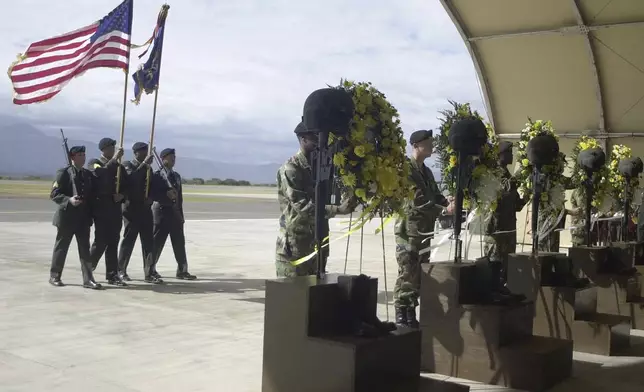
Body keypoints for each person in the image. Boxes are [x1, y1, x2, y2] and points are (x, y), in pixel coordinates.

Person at [275, 122, 356, 277]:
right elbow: (302, 207)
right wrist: (337, 209)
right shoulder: (292, 168)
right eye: (315, 137)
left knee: (316, 296)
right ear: (303, 139)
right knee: (294, 296)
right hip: (296, 247)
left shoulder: (320, 167)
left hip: (317, 243)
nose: (320, 141)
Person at [394, 130, 454, 328]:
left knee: (419, 274)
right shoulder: (406, 169)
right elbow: (417, 200)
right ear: (416, 145)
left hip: (424, 231)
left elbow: (435, 195)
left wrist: (447, 201)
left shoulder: (426, 171)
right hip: (408, 231)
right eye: (427, 143)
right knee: (407, 274)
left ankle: (411, 312)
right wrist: (444, 210)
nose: (431, 146)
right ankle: (402, 314)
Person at [49, 146, 101, 289]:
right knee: (61, 248)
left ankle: (88, 279)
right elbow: (54, 194)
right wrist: (69, 200)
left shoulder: (87, 174)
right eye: (79, 155)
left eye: (84, 154)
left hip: (83, 218)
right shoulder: (64, 173)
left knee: (85, 249)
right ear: (72, 157)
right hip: (67, 217)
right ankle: (55, 276)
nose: (83, 157)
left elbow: (91, 196)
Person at [117, 142, 161, 283]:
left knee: (148, 242)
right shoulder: (127, 165)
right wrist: (144, 165)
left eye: (147, 152)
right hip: (131, 209)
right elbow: (131, 180)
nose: (147, 155)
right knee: (128, 241)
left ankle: (149, 272)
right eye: (143, 152)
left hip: (145, 210)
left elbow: (153, 186)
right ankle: (121, 270)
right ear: (136, 153)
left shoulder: (148, 169)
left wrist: (152, 198)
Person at [150, 148, 197, 280]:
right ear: (163, 158)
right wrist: (166, 194)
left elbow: (179, 198)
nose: (173, 160)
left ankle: (182, 270)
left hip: (175, 213)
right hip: (161, 213)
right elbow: (153, 194)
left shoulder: (176, 176)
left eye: (174, 157)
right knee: (157, 244)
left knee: (179, 243)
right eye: (171, 157)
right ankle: (151, 269)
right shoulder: (157, 175)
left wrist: (181, 215)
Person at [484, 141, 527, 284]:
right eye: (509, 152)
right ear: (500, 155)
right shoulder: (494, 172)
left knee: (507, 268)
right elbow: (504, 190)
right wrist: (524, 170)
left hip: (508, 229)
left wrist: (527, 195)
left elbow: (516, 206)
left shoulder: (507, 173)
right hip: (497, 230)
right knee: (493, 268)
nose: (512, 156)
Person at [88, 137, 128, 286]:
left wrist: (122, 195)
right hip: (101, 208)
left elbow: (127, 184)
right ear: (103, 149)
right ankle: (88, 270)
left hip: (115, 208)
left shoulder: (119, 167)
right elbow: (101, 175)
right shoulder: (95, 163)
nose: (113, 150)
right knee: (101, 242)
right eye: (110, 148)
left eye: (114, 148)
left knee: (113, 242)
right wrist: (114, 160)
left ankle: (112, 274)